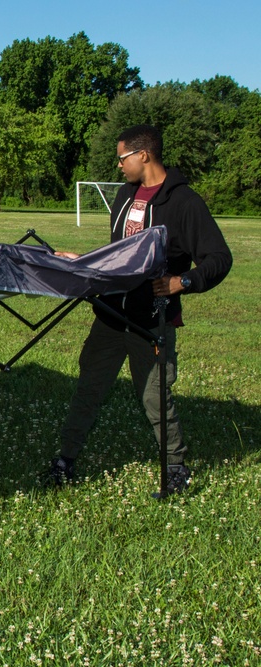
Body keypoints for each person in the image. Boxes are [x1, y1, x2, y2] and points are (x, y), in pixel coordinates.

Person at [48, 125, 232, 494]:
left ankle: (176, 469)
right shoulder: (125, 196)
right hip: (111, 315)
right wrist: (83, 260)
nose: (119, 165)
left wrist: (185, 281)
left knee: (154, 397)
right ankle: (65, 461)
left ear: (143, 155)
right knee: (89, 387)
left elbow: (219, 258)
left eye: (122, 158)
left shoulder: (184, 202)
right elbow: (121, 256)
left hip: (151, 321)